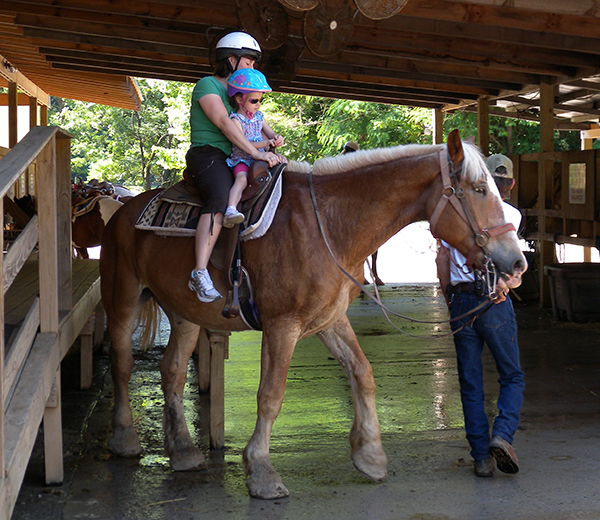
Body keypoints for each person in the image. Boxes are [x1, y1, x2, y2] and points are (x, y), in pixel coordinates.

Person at [435, 153, 524, 478]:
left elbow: (443, 261)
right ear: (510, 184)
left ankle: (480, 459)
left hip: (462, 302)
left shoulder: (459, 214)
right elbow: (515, 271)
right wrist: (506, 284)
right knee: (511, 376)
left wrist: (451, 299)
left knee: (471, 384)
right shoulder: (511, 214)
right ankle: (501, 435)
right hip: (495, 302)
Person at [186, 32, 281, 303]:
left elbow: (256, 124)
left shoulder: (241, 96)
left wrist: (270, 146)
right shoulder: (207, 86)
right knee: (219, 197)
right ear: (231, 59)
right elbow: (225, 125)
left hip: (239, 156)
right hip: (209, 155)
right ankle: (200, 271)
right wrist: (255, 151)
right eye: (249, 62)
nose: (253, 68)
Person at [223, 68, 284, 228]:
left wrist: (277, 138)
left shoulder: (259, 117)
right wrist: (266, 143)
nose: (258, 105)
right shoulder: (236, 120)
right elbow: (243, 144)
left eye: (260, 101)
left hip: (261, 159)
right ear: (239, 99)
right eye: (254, 101)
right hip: (243, 159)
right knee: (241, 180)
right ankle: (231, 209)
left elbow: (270, 132)